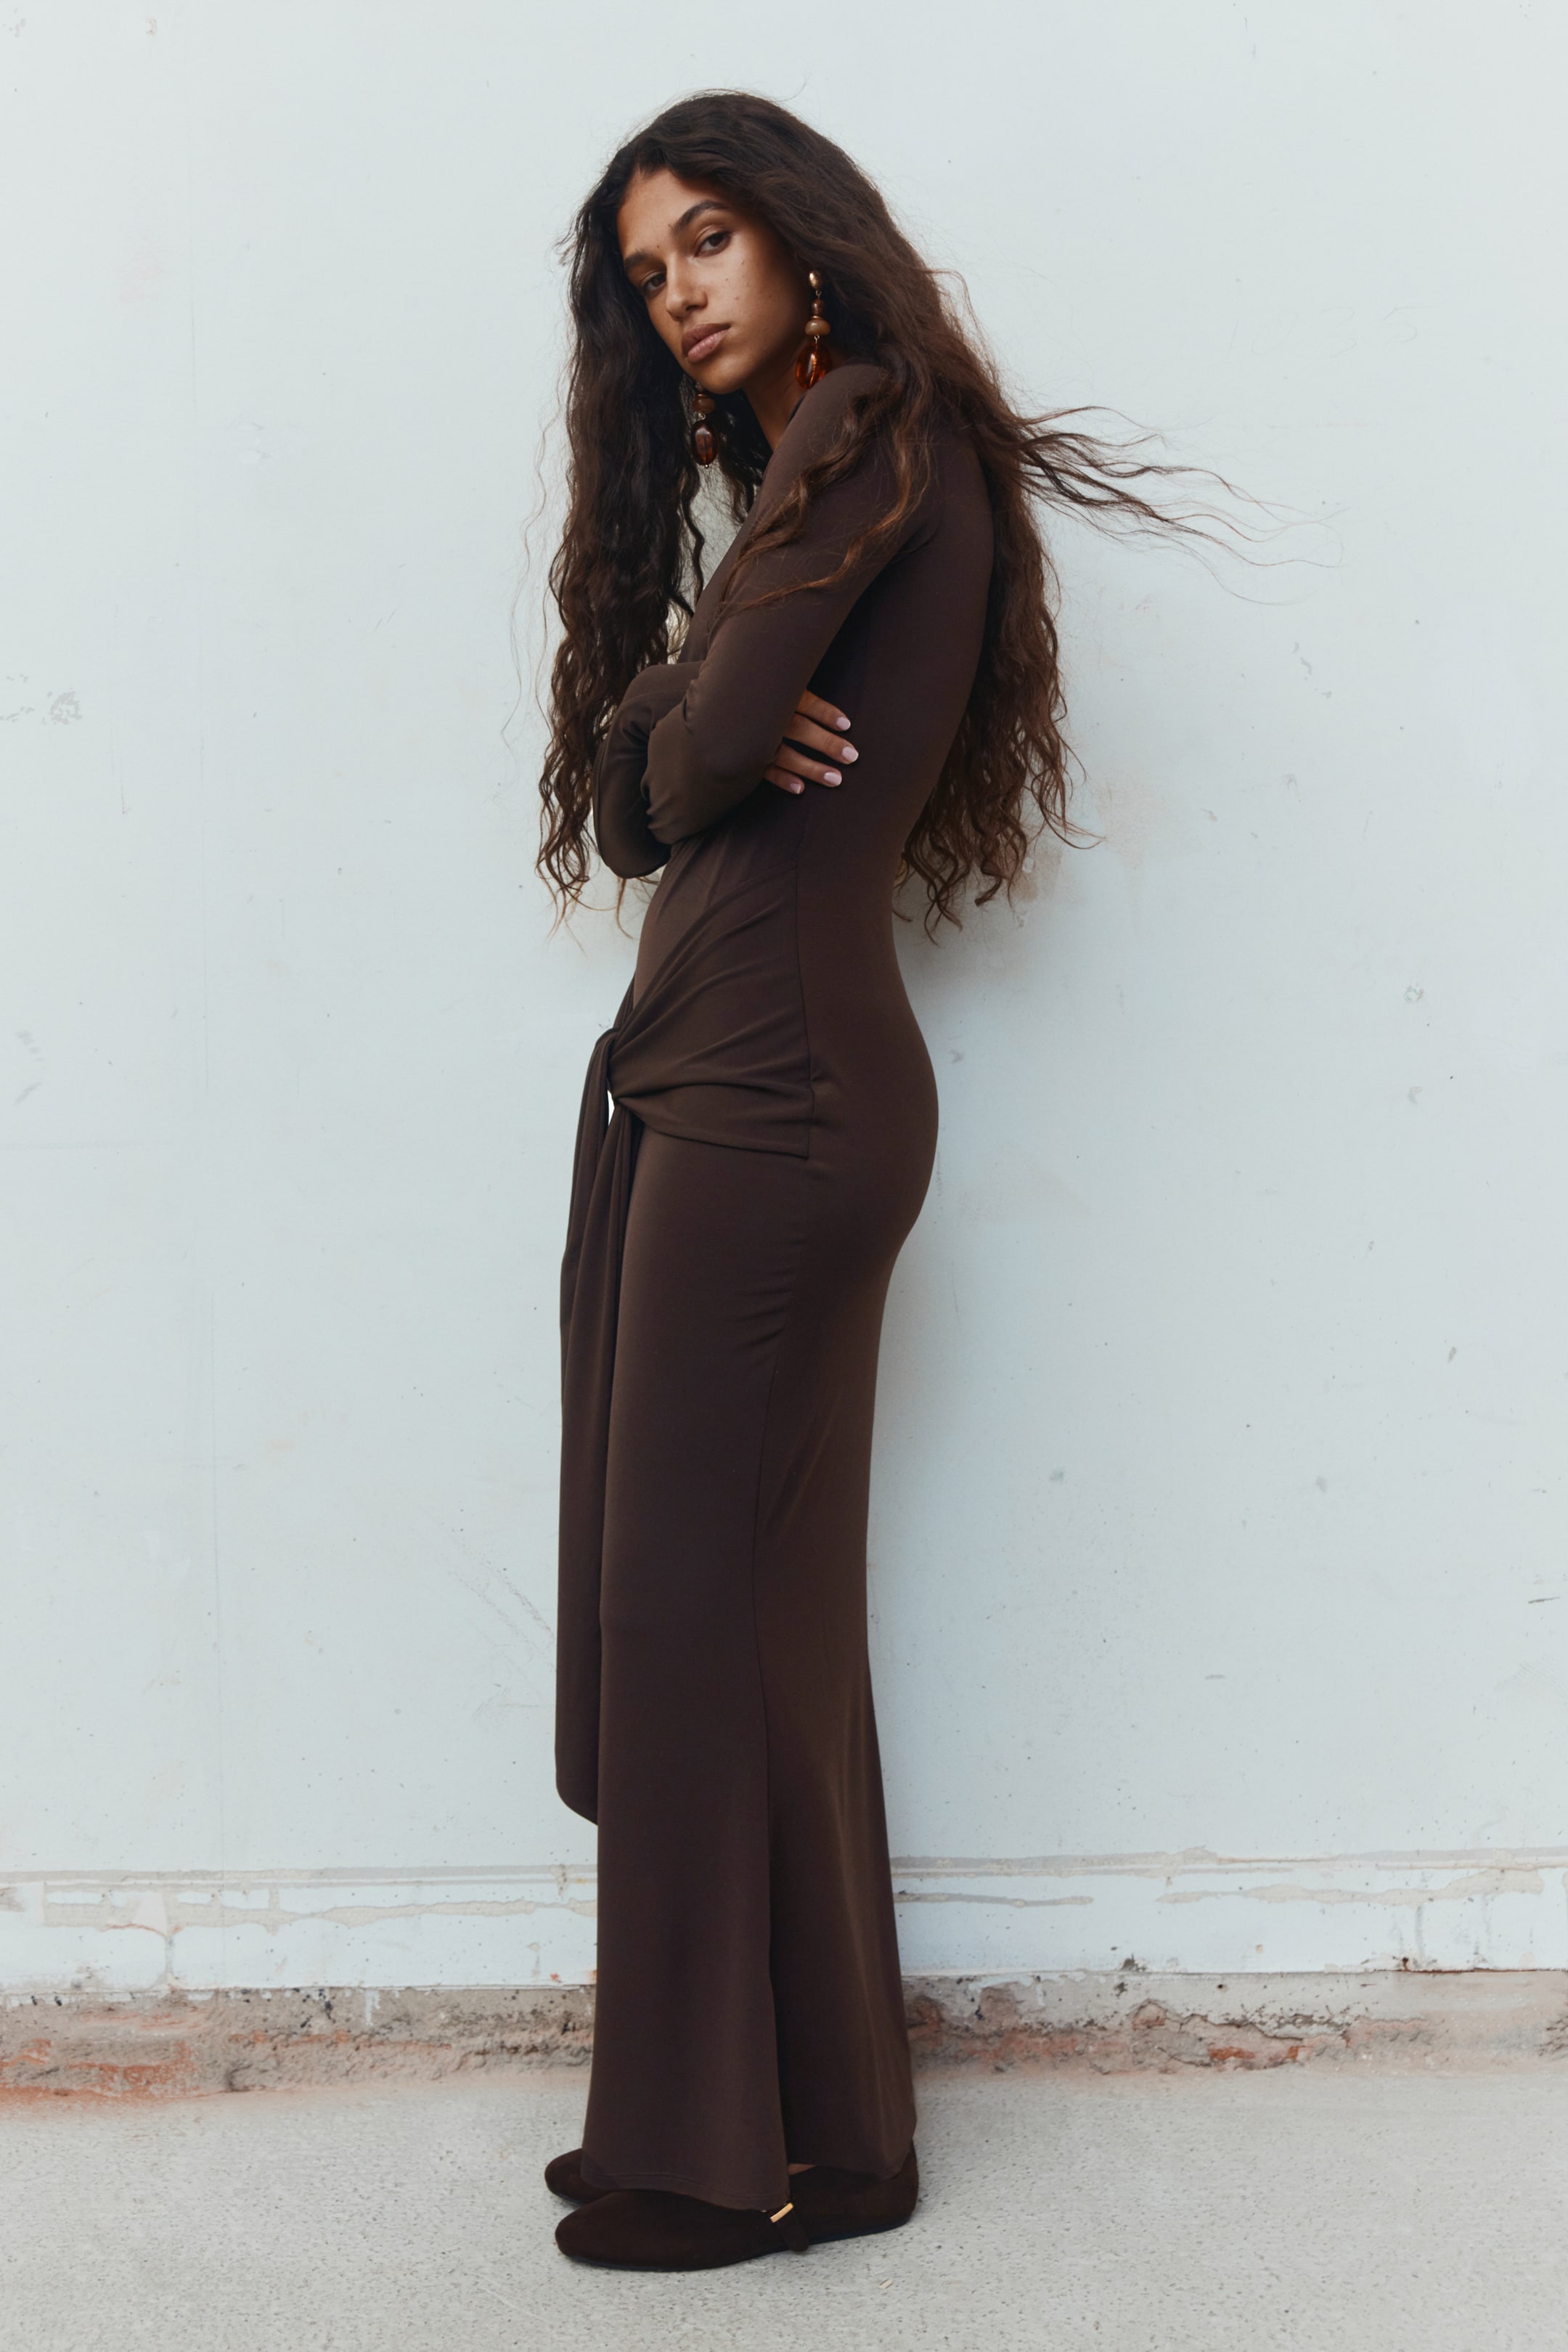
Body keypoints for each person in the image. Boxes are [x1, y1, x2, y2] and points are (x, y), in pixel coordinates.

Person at [537, 89, 1203, 2272]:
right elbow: (648, 784)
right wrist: (684, 705)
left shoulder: (870, 428)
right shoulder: (817, 473)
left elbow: (708, 761)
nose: (680, 294)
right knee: (761, 1620)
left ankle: (707, 2157)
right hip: (755, 1089)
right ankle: (834, 2137)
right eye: (647, 271)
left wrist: (695, 713)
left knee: (687, 1616)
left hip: (776, 1103)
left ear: (805, 238)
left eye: (708, 240)